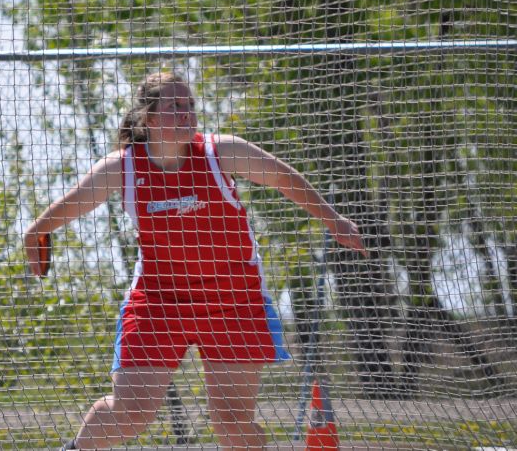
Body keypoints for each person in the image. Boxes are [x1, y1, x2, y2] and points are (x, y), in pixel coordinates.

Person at [24, 72, 367, 450]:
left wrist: (333, 220)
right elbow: (74, 203)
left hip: (232, 300)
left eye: (190, 106)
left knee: (233, 426)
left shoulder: (221, 152)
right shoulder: (124, 166)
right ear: (149, 120)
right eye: (175, 107)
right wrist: (36, 231)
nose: (187, 114)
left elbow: (283, 177)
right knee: (130, 413)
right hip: (159, 301)